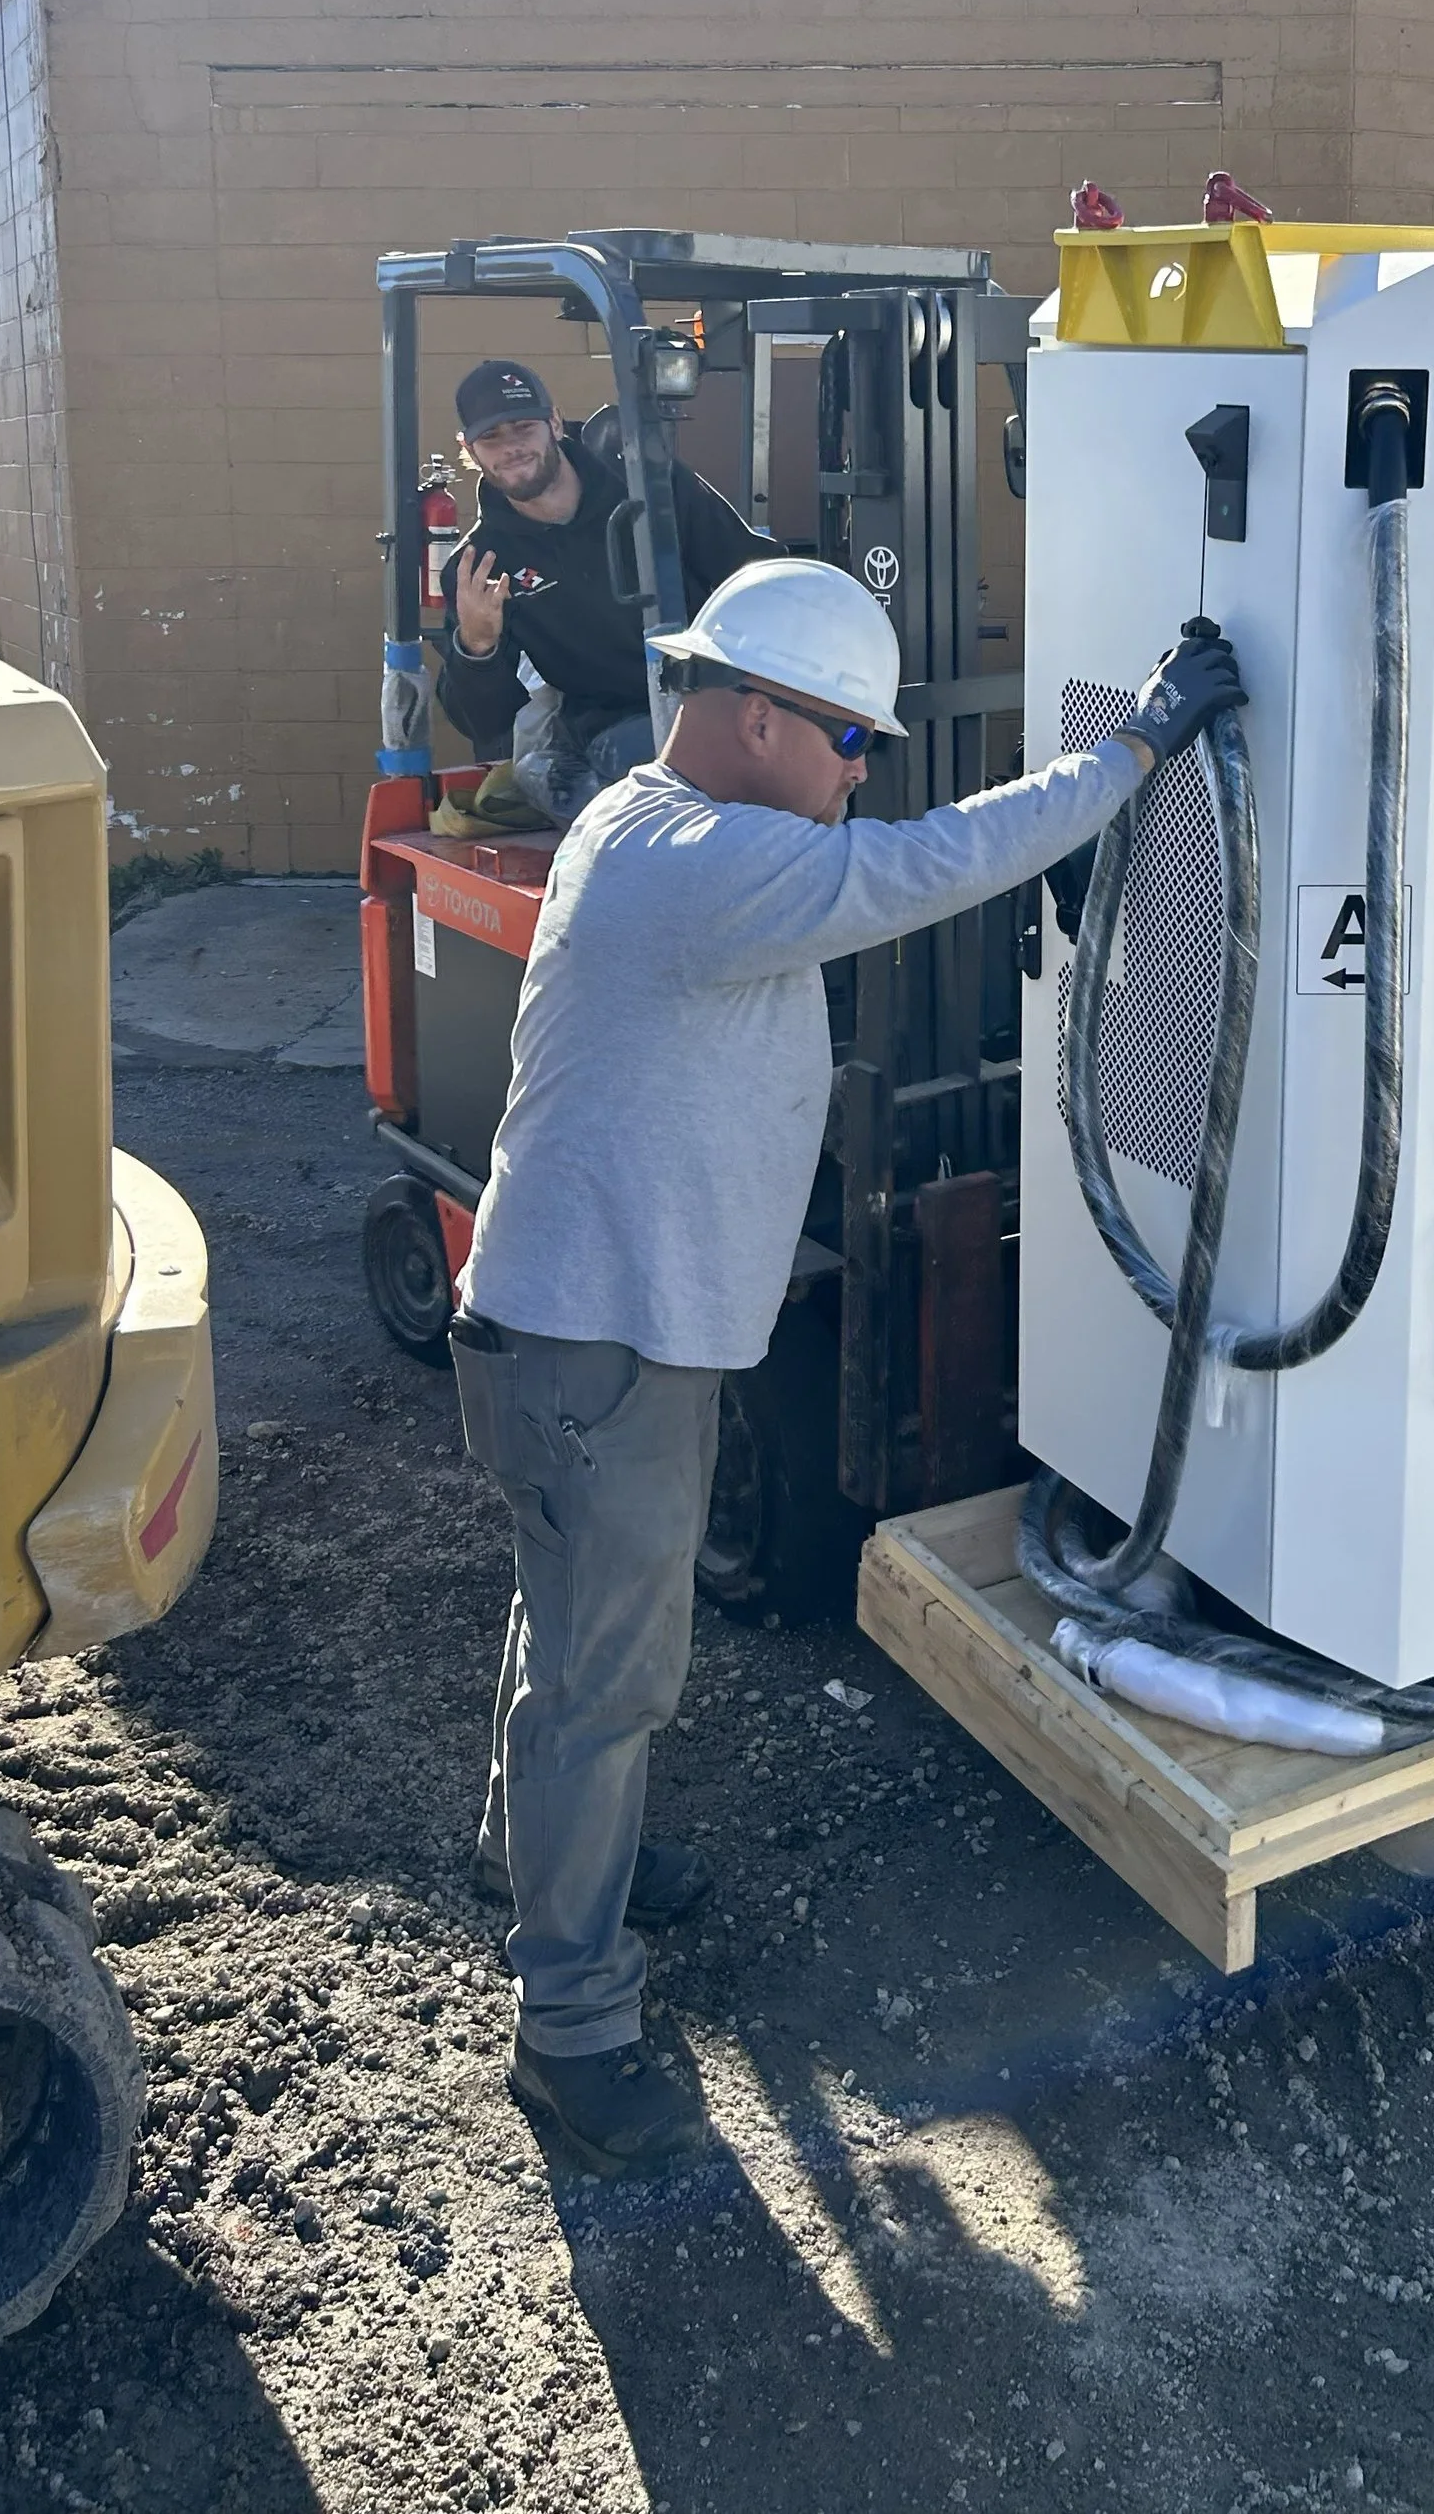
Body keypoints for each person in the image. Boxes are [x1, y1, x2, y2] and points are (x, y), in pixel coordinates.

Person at [448, 555, 1244, 2178]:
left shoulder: (641, 819)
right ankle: (573, 2025)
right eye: (850, 738)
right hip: (601, 1351)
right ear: (755, 716)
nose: (864, 766)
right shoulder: (699, 858)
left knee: (569, 1622)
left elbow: (889, 852)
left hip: (562, 1336)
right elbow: (928, 867)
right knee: (615, 1675)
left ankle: (531, 1851)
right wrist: (1141, 745)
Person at [435, 357, 769, 806]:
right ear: (469, 449)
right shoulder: (483, 564)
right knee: (682, 777)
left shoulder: (649, 486)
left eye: (523, 428)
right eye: (490, 437)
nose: (510, 447)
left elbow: (747, 569)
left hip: (713, 695)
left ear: (554, 422)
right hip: (613, 723)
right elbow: (483, 722)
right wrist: (477, 646)